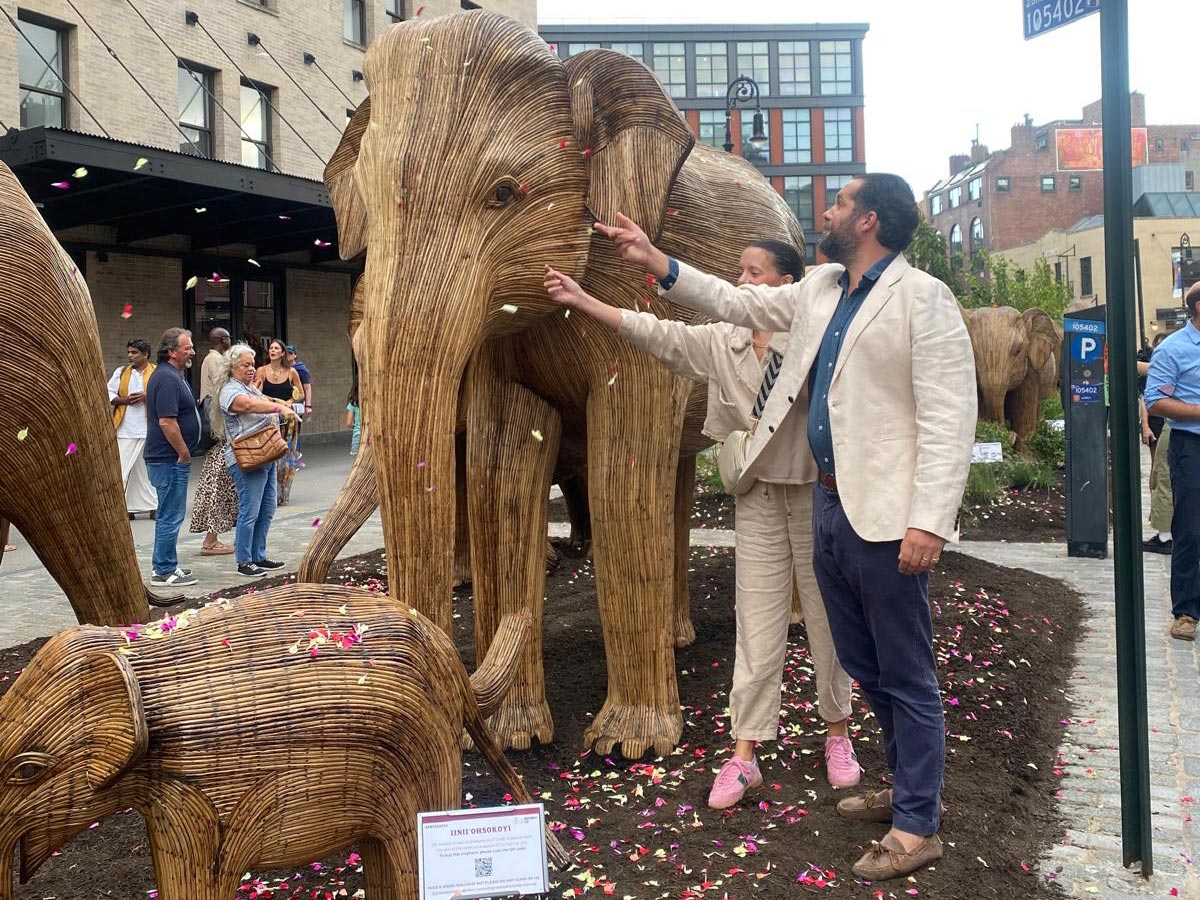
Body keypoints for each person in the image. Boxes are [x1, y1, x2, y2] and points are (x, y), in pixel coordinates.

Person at [561, 173, 976, 882]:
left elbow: (948, 416)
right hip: (831, 507)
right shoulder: (821, 290)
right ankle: (907, 790)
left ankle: (916, 827)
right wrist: (656, 260)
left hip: (885, 518)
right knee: (867, 664)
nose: (828, 210)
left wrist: (929, 521)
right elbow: (733, 302)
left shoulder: (923, 298)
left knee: (904, 671)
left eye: (841, 202)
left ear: (869, 220)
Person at [545, 240, 859, 807]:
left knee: (827, 619)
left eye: (754, 272)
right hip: (757, 496)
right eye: (738, 270)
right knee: (756, 621)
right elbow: (658, 334)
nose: (741, 280)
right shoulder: (723, 340)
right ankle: (745, 753)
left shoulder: (816, 335)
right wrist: (585, 301)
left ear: (787, 285)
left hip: (815, 492)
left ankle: (838, 733)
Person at [1145, 281, 1200, 641]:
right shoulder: (1173, 349)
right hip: (1191, 446)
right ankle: (1186, 612)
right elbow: (1155, 401)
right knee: (1190, 530)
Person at [215, 343, 298, 577]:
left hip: (266, 454)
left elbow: (262, 399)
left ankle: (258, 556)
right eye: (245, 365)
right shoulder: (230, 390)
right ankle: (244, 561)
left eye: (253, 364)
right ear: (232, 367)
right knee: (250, 510)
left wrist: (280, 403)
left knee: (267, 508)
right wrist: (278, 409)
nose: (251, 369)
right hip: (248, 457)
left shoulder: (248, 387)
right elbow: (248, 405)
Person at [144, 327, 201, 587]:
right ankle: (163, 570)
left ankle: (167, 564)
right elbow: (167, 422)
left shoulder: (172, 375)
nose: (192, 352)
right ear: (171, 352)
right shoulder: (167, 378)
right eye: (187, 348)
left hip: (169, 457)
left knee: (172, 512)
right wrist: (183, 452)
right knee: (171, 513)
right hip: (169, 458)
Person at [189, 328, 237, 556]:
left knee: (217, 488)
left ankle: (212, 539)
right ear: (222, 340)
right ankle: (210, 541)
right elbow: (223, 391)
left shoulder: (209, 359)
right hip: (220, 437)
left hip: (218, 439)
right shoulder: (216, 360)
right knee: (219, 487)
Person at [107, 338, 157, 519]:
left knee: (146, 471)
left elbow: (164, 395)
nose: (130, 355)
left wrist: (146, 396)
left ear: (146, 354)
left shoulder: (157, 372)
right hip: (125, 429)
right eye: (129, 352)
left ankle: (154, 506)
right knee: (122, 469)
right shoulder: (121, 372)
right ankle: (125, 508)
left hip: (149, 429)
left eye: (134, 352)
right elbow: (108, 393)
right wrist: (125, 400)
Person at [256, 339, 304, 505]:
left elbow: (301, 393)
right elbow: (256, 393)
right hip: (269, 420)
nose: (272, 350)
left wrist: (290, 401)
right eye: (271, 348)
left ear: (283, 353)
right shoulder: (261, 371)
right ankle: (270, 495)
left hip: (288, 422)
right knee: (270, 457)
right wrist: (276, 402)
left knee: (286, 458)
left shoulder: (291, 372)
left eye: (276, 348)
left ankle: (283, 494)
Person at [1139, 334, 1172, 553]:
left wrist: (1121, 360)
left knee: (1164, 478)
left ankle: (1165, 536)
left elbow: (1153, 396)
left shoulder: (1176, 360)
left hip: (1174, 424)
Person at [346, 379, 362, 456]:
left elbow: (349, 423)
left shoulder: (353, 403)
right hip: (369, 437)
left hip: (357, 436)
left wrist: (356, 426)